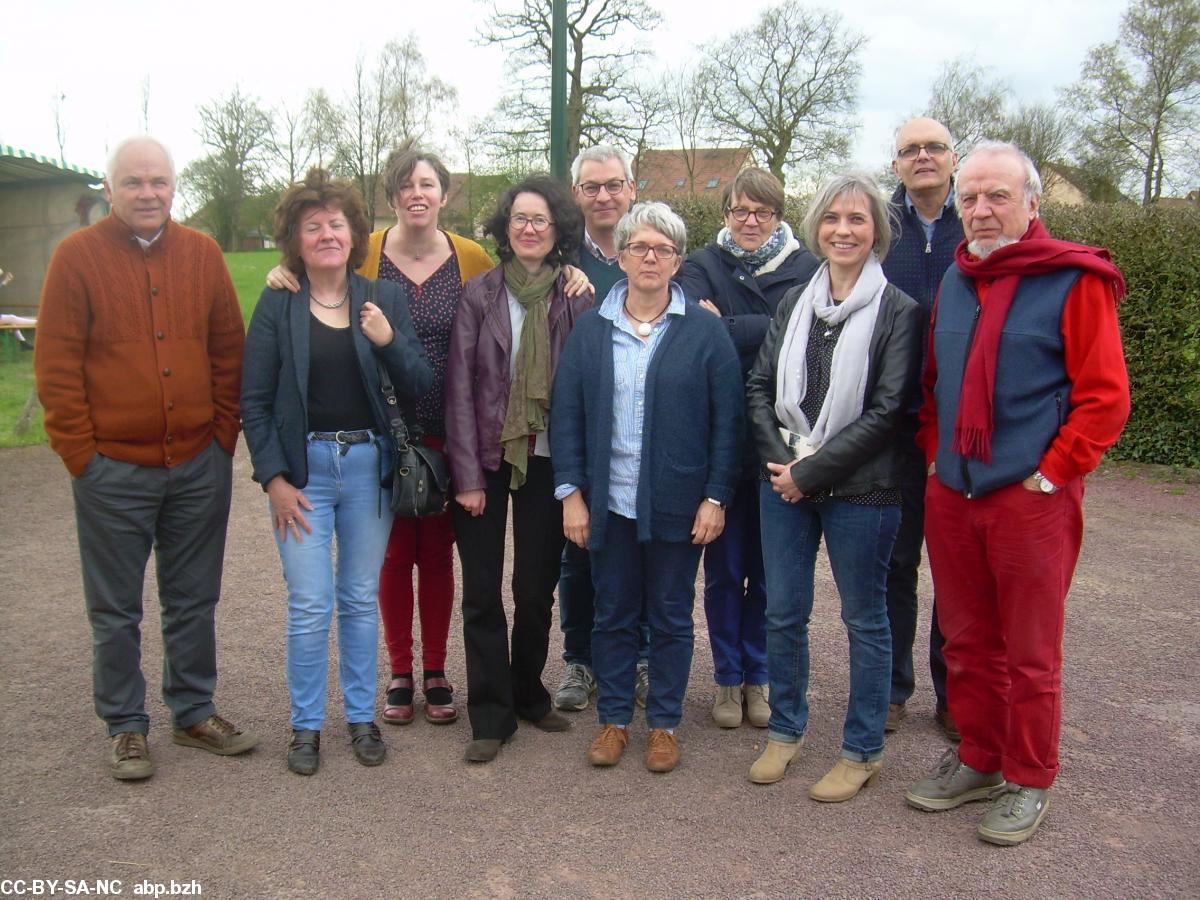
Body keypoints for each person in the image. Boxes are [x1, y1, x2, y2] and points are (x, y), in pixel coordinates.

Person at [906, 142, 1129, 846]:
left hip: (1030, 498)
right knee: (967, 640)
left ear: (1032, 203)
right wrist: (937, 458)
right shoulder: (957, 281)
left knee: (1031, 653)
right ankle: (979, 759)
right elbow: (935, 386)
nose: (980, 210)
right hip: (956, 493)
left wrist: (1052, 473)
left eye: (997, 196)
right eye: (969, 197)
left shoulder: (1073, 279)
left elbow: (1104, 398)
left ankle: (1029, 778)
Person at [34, 135, 256, 781]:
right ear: (110, 189)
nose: (147, 193)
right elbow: (56, 367)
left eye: (157, 181)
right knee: (115, 608)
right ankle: (126, 725)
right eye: (133, 182)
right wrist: (82, 456)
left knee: (193, 599)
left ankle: (192, 711)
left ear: (173, 187)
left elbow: (227, 352)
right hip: (112, 470)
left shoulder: (202, 254)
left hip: (195, 463)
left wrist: (220, 439)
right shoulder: (76, 258)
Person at [241, 169, 432, 776]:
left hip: (369, 469)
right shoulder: (279, 302)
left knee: (355, 599)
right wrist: (274, 479)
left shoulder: (383, 298)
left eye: (337, 223)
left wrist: (389, 339)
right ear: (296, 241)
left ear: (355, 233)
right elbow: (255, 399)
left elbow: (423, 383)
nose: (327, 233)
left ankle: (359, 717)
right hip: (303, 475)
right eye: (312, 226)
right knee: (309, 602)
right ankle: (305, 727)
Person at [745, 173, 921, 802]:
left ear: (877, 231)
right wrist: (782, 468)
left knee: (864, 619)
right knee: (784, 612)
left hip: (862, 490)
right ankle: (786, 732)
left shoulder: (899, 311)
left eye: (857, 220)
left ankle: (862, 749)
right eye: (832, 219)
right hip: (783, 482)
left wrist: (809, 473)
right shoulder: (794, 301)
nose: (843, 230)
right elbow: (759, 388)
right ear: (817, 228)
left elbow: (887, 411)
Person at [552, 201, 742, 773]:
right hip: (608, 502)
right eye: (639, 247)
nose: (650, 257)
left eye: (662, 249)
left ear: (678, 260)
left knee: (670, 615)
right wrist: (572, 495)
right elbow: (567, 416)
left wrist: (715, 497)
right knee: (611, 613)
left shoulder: (705, 333)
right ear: (624, 255)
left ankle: (663, 723)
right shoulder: (592, 331)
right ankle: (613, 719)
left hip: (678, 505)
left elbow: (727, 422)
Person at [445, 175, 592, 763]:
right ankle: (490, 713)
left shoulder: (576, 298)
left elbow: (584, 388)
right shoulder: (478, 295)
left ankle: (528, 692)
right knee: (481, 592)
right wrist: (468, 478)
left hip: (547, 459)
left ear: (557, 231)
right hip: (485, 457)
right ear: (505, 229)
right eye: (520, 219)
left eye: (541, 220)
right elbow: (458, 388)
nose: (530, 229)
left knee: (535, 588)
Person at [677, 167, 819, 729]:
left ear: (779, 216)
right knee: (721, 569)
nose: (750, 221)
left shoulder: (808, 268)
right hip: (717, 436)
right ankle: (725, 679)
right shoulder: (702, 266)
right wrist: (765, 325)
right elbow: (690, 322)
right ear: (726, 214)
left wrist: (730, 324)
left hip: (778, 437)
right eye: (740, 211)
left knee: (767, 573)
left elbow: (799, 334)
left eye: (762, 211)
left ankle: (759, 676)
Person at [554, 145, 653, 713]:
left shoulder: (655, 247)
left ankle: (638, 658)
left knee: (640, 544)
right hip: (584, 423)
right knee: (579, 549)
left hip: (641, 426)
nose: (603, 196)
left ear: (632, 188)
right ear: (578, 195)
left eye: (613, 185)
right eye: (592, 187)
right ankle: (581, 661)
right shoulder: (562, 259)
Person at [880, 117, 964, 739]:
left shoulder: (982, 222)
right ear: (896, 164)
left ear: (952, 157)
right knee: (895, 564)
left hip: (964, 426)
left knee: (958, 569)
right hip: (895, 424)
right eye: (911, 150)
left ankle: (954, 690)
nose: (923, 157)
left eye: (933, 147)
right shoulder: (882, 229)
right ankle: (892, 688)